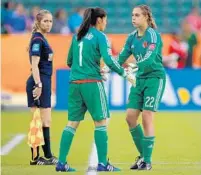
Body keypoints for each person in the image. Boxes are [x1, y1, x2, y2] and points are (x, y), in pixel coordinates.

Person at [55, 7, 135, 172]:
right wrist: (125, 73)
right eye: (105, 19)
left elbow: (70, 61)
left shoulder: (77, 36)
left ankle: (61, 163)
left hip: (75, 84)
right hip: (91, 84)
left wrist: (89, 67)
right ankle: (103, 163)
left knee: (71, 123)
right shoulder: (101, 37)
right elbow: (109, 59)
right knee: (101, 123)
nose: (106, 23)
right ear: (99, 20)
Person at [117, 5, 166, 170]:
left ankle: (147, 161)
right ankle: (143, 157)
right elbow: (121, 57)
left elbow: (150, 57)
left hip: (154, 78)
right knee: (130, 117)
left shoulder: (153, 35)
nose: (133, 18)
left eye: (137, 15)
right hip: (139, 80)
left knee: (147, 117)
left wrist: (135, 66)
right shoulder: (131, 37)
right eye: (132, 15)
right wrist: (106, 68)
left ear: (146, 17)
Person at [26, 9, 58, 165]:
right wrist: (39, 84)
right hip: (39, 81)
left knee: (45, 120)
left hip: (44, 81)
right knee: (38, 120)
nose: (49, 24)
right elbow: (34, 64)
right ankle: (36, 158)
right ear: (38, 22)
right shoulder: (38, 40)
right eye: (45, 21)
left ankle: (47, 155)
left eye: (51, 21)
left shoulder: (41, 38)